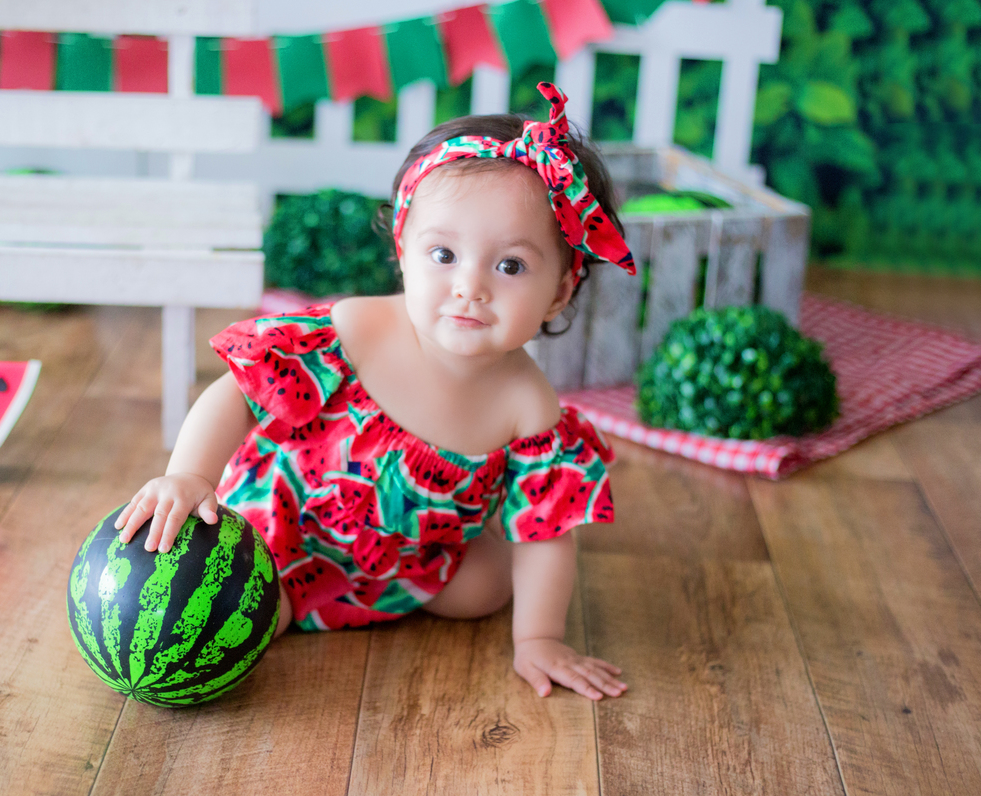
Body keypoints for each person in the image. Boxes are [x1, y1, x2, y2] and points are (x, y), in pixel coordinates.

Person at [116, 82, 634, 702]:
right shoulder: (355, 330)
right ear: (403, 252)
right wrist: (191, 476)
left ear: (561, 289)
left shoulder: (529, 406)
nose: (470, 286)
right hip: (285, 533)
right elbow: (238, 393)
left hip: (414, 563)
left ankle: (423, 583)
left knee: (487, 590)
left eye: (511, 266)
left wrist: (540, 638)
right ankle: (270, 607)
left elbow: (546, 534)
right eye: (443, 253)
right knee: (245, 623)